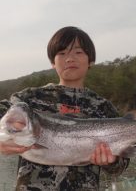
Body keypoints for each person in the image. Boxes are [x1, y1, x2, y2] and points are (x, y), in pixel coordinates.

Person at [0, 26, 129, 191]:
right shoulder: (28, 100)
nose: (70, 58)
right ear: (53, 62)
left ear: (91, 60)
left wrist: (112, 161)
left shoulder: (104, 108)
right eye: (62, 53)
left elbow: (120, 167)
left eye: (78, 52)